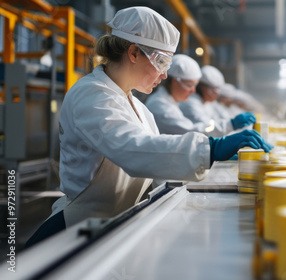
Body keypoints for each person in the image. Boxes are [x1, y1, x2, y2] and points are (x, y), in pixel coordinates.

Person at [25, 6, 270, 247]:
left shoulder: (137, 107)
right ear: (133, 53)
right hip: (76, 232)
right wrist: (210, 148)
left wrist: (212, 166)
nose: (164, 75)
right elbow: (132, 149)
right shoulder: (90, 95)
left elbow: (154, 161)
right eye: (161, 62)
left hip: (112, 227)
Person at [145, 54, 217, 135]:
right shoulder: (159, 105)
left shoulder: (172, 102)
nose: (193, 91)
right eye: (190, 85)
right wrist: (230, 125)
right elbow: (191, 133)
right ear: (174, 82)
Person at [180, 65, 256, 136]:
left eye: (218, 90)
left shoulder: (208, 104)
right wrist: (231, 125)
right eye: (213, 90)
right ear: (202, 87)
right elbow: (206, 128)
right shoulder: (191, 104)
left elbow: (216, 122)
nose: (216, 94)